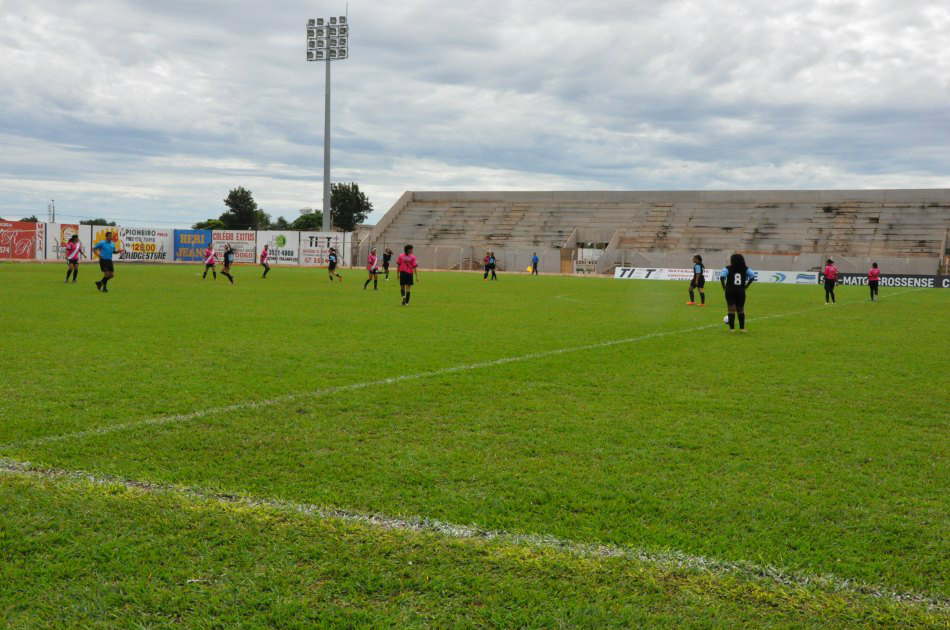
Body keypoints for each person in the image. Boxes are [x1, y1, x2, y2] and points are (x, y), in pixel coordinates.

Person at [720, 253, 755, 332]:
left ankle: (732, 329)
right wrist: (746, 286)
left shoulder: (728, 268)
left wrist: (723, 286)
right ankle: (742, 328)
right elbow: (752, 276)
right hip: (740, 291)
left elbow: (722, 277)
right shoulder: (745, 268)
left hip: (730, 291)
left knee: (731, 309)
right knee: (741, 309)